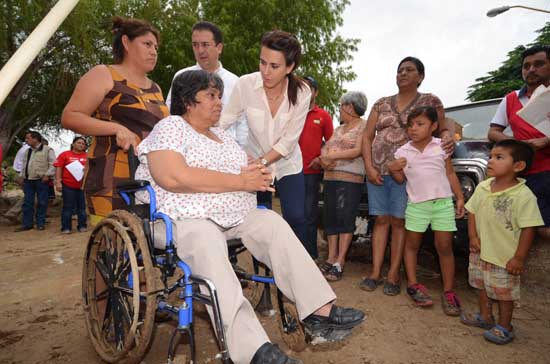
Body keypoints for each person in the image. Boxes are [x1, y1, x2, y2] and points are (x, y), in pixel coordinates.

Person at [136, 70, 364, 364]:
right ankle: (252, 351)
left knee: (270, 223)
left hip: (229, 214)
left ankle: (319, 312)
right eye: (211, 96)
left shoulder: (223, 138)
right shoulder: (171, 127)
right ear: (187, 101)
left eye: (220, 95)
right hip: (180, 218)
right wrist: (240, 182)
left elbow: (250, 168)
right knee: (206, 239)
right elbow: (172, 177)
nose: (220, 102)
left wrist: (259, 174)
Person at [360, 56, 454, 296]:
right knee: (380, 221)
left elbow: (443, 128)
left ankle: (393, 274)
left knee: (399, 222)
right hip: (378, 171)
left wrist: (448, 138)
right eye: (400, 70)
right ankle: (375, 272)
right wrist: (369, 167)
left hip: (408, 175)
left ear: (420, 76)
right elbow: (367, 137)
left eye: (409, 70)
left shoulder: (430, 101)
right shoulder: (381, 103)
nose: (402, 73)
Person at [61, 17, 168, 225]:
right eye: (147, 44)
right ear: (126, 43)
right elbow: (70, 116)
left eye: (155, 47)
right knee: (113, 248)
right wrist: (116, 128)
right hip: (111, 177)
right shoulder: (104, 74)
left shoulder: (155, 88)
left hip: (150, 178)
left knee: (149, 243)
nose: (154, 51)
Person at [219, 30, 311, 250]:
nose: (266, 72)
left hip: (287, 164)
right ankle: (266, 273)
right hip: (254, 163)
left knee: (297, 217)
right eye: (262, 62)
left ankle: (294, 269)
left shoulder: (302, 92)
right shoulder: (246, 84)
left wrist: (261, 162)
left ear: (289, 67)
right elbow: (224, 121)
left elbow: (288, 142)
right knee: (257, 221)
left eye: (274, 66)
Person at [460, 139, 543, 344]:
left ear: (518, 166)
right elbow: (471, 212)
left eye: (498, 157)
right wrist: (473, 237)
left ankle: (505, 326)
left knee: (504, 294)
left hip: (504, 256)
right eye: (490, 156)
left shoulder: (523, 196)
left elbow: (529, 228)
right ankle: (485, 317)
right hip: (480, 251)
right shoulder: (484, 186)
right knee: (481, 286)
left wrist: (519, 258)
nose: (490, 161)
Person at [387, 107, 464, 314]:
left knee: (444, 246)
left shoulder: (442, 146)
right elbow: (401, 179)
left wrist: (460, 197)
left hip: (443, 204)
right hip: (417, 205)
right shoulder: (402, 152)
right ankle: (413, 284)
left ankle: (448, 291)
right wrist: (393, 169)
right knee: (412, 244)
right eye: (410, 125)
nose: (413, 129)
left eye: (420, 124)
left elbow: (450, 173)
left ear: (434, 126)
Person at [487, 45, 550, 240]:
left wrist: (547, 140)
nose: (531, 69)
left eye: (539, 64)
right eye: (526, 66)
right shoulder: (510, 99)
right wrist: (517, 143)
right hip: (527, 174)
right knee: (537, 226)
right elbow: (493, 132)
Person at [166, 21, 248, 147]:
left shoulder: (236, 82)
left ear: (219, 48)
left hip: (226, 150)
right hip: (186, 147)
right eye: (195, 45)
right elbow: (170, 114)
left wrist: (242, 152)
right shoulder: (181, 77)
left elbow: (243, 124)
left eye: (205, 45)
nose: (200, 51)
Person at [318, 91, 367, 281]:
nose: (340, 109)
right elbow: (326, 148)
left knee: (345, 217)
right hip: (330, 177)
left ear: (350, 107)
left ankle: (340, 261)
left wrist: (333, 157)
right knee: (330, 217)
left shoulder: (363, 125)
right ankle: (330, 258)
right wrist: (325, 160)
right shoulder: (339, 129)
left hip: (351, 179)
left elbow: (358, 150)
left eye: (341, 105)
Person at [298, 76, 334, 259]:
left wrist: (320, 159)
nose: (304, 91)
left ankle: (310, 255)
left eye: (309, 88)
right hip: (290, 172)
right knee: (293, 214)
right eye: (301, 87)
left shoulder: (324, 116)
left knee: (309, 215)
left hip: (311, 173)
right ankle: (292, 254)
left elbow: (332, 144)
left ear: (315, 92)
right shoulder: (291, 112)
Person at [15, 131, 55, 231]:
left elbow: (54, 164)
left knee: (42, 202)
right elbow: (24, 165)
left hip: (41, 180)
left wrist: (47, 175)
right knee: (27, 203)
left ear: (35, 139)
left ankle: (40, 223)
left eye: (28, 138)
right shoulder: (27, 151)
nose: (26, 140)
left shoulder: (48, 150)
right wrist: (21, 176)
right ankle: (27, 224)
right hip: (28, 181)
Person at [54, 136, 88, 233]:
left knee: (82, 208)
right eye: (79, 143)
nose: (81, 145)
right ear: (73, 144)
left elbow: (92, 170)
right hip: (68, 185)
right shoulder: (65, 155)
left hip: (82, 186)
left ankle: (82, 226)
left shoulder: (87, 156)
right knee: (67, 207)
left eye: (83, 144)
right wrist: (58, 182)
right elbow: (58, 168)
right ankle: (66, 228)